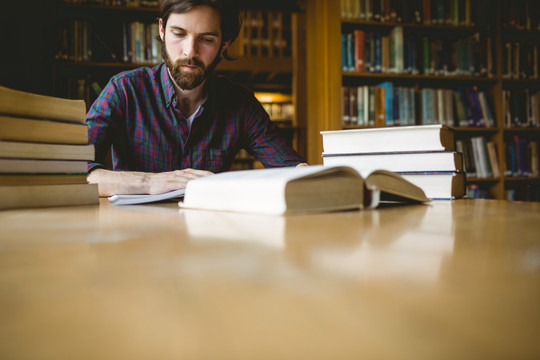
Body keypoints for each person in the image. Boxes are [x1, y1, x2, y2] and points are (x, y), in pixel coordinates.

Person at [86, 0, 306, 196]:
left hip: (209, 233)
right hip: (137, 233)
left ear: (224, 44)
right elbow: (72, 171)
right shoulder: (124, 90)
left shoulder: (241, 104)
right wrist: (150, 182)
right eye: (179, 34)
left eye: (207, 39)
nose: (190, 51)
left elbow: (292, 169)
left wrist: (312, 175)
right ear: (162, 30)